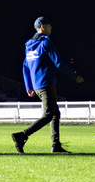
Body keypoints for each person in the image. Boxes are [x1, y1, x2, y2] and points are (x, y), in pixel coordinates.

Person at [12, 17, 83, 154]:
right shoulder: (46, 42)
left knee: (55, 113)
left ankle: (56, 145)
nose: (52, 28)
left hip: (37, 86)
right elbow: (59, 63)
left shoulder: (29, 44)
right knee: (49, 115)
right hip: (46, 84)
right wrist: (74, 76)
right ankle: (22, 136)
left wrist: (28, 86)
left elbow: (25, 66)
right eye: (50, 26)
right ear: (43, 27)